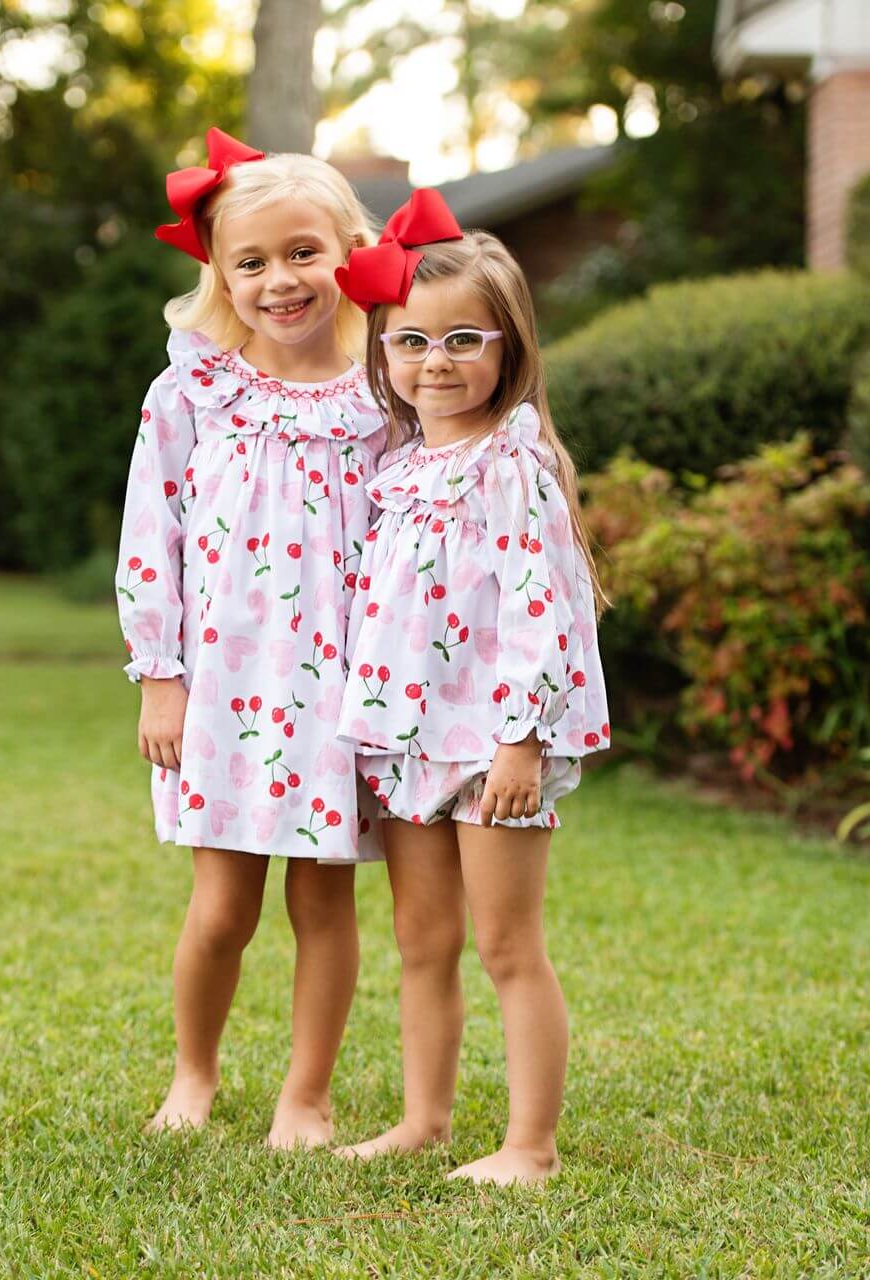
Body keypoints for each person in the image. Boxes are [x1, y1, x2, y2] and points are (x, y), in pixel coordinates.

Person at [116, 128, 386, 1146]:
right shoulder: (191, 395)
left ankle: (305, 1095)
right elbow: (154, 536)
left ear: (349, 251)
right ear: (221, 274)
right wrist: (159, 675)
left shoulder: (386, 393)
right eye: (253, 261)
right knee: (223, 907)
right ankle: (195, 1072)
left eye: (304, 252)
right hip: (226, 687)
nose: (281, 279)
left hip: (342, 689)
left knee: (325, 903)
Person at [334, 190, 610, 1185]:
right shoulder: (402, 464)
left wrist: (520, 739)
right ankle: (424, 1118)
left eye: (462, 338)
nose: (435, 361)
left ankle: (529, 1144)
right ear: (384, 353)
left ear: (509, 347)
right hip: (408, 734)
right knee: (422, 938)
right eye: (410, 341)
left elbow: (539, 601)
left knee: (505, 942)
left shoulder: (513, 461)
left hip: (492, 740)